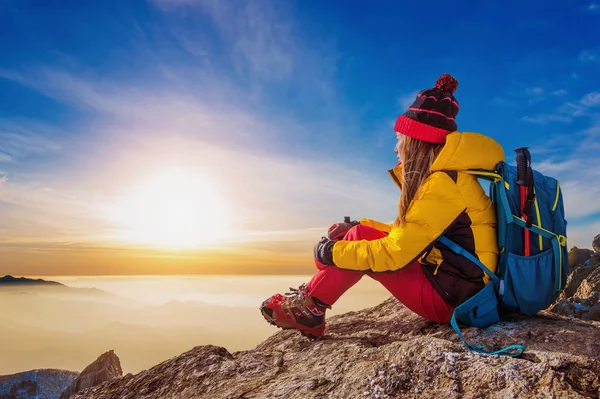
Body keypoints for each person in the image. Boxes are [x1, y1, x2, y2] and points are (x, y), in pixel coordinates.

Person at [260, 73, 504, 339]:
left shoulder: (441, 185)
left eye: (399, 138)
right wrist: (359, 227)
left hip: (453, 300)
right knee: (358, 236)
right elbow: (412, 233)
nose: (396, 148)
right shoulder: (447, 178)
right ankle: (311, 305)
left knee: (356, 247)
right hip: (455, 284)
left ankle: (309, 310)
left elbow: (394, 253)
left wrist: (332, 252)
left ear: (415, 140)